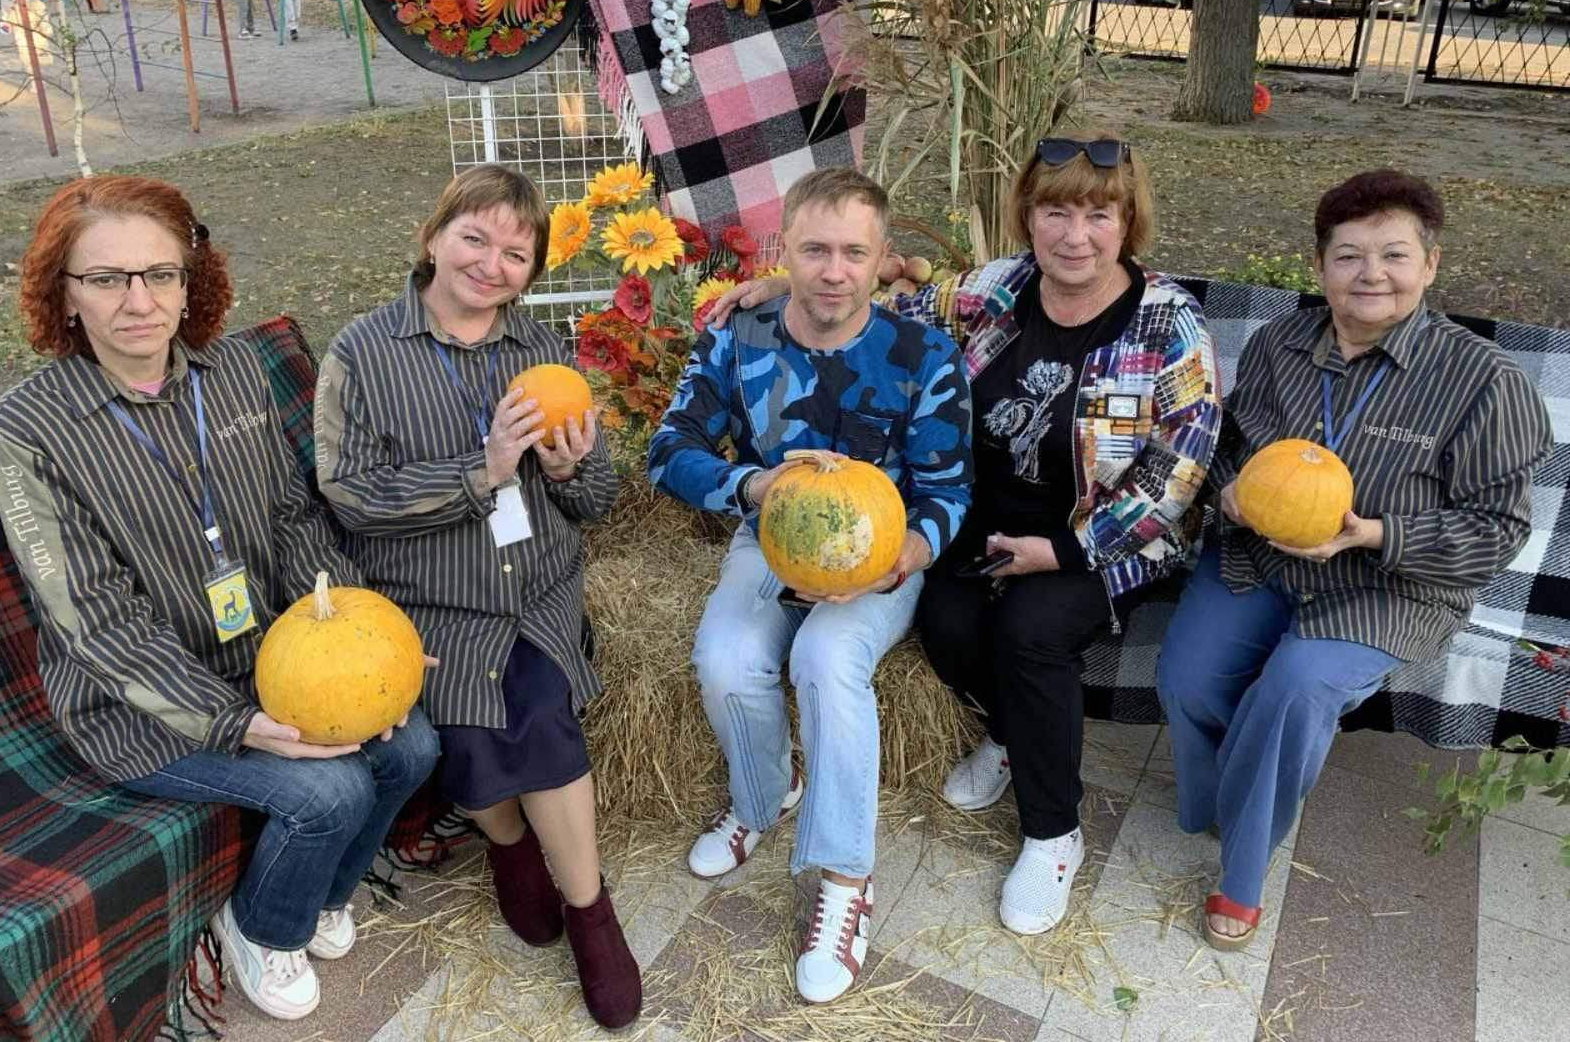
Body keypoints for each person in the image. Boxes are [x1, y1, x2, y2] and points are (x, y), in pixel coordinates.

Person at [711, 135, 1220, 937]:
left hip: (1100, 538)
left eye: (1098, 215)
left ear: (1128, 223)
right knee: (946, 621)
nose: (1074, 236)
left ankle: (1053, 833)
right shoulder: (998, 289)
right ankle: (1010, 732)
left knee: (1029, 631)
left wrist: (1066, 551)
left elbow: (1180, 469)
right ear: (1028, 215)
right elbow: (885, 307)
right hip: (983, 519)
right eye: (1055, 212)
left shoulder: (1168, 323)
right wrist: (789, 285)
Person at [0, 176, 439, 1024]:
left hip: (272, 656)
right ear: (64, 294)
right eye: (106, 279)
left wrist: (369, 641)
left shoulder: (231, 374)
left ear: (191, 280)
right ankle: (260, 928)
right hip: (140, 704)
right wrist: (234, 722)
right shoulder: (27, 430)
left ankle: (321, 895)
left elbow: (292, 517)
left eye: (160, 273)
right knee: (330, 793)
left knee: (411, 743)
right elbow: (93, 618)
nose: (139, 301)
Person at [1156, 169, 1552, 952]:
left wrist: (1372, 534)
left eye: (1394, 255)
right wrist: (1231, 494)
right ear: (1319, 266)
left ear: (1430, 265)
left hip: (1388, 583)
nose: (1372, 274)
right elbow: (1228, 449)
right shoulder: (1279, 345)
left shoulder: (1486, 382)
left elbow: (1497, 531)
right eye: (1349, 256)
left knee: (1295, 690)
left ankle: (1242, 872)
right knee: (1186, 679)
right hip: (1263, 559)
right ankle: (1223, 802)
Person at [313, 164, 639, 1029]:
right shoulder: (362, 353)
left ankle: (591, 912)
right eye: (474, 238)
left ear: (531, 273)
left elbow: (597, 499)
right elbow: (350, 498)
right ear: (432, 237)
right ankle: (507, 845)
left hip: (537, 591)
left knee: (536, 706)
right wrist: (480, 472)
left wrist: (566, 471)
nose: (491, 264)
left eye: (516, 254)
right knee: (463, 734)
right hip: (431, 604)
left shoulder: (542, 351)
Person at [649, 167, 974, 1004]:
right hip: (772, 535)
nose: (834, 271)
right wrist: (752, 486)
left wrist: (903, 558)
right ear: (782, 250)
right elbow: (669, 447)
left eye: (854, 253)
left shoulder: (923, 356)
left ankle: (844, 880)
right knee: (725, 659)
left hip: (879, 552)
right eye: (815, 250)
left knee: (827, 661)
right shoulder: (738, 334)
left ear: (881, 258)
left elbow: (948, 491)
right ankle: (763, 799)